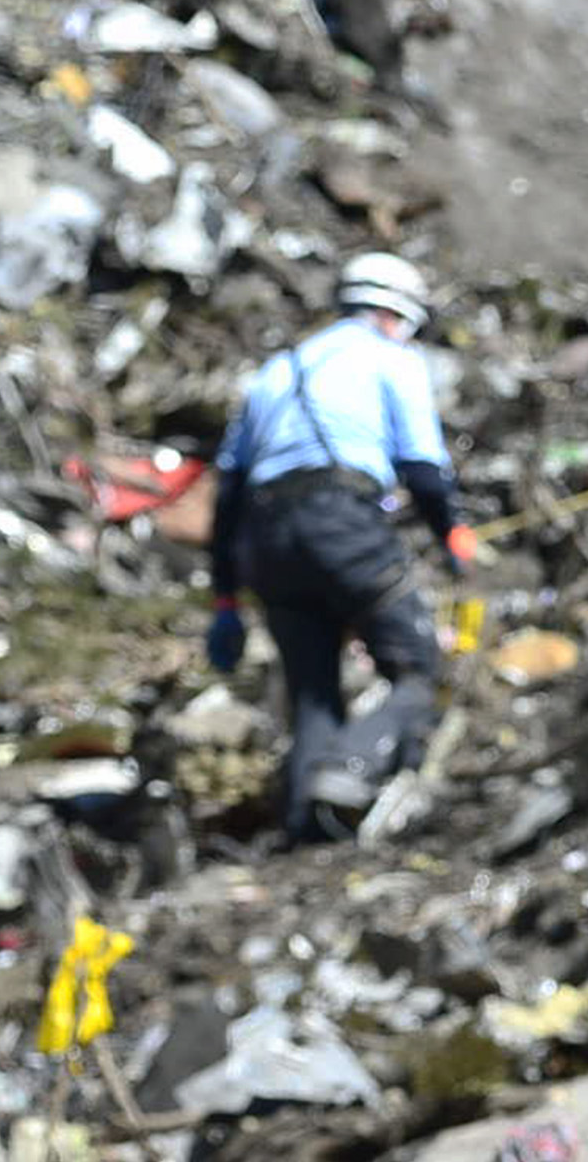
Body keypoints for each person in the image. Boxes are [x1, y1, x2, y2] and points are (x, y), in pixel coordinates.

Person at [204, 252, 476, 842]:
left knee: (313, 694)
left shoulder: (274, 371)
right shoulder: (389, 358)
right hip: (339, 521)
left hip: (265, 541)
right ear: (393, 314)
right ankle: (350, 768)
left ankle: (307, 829)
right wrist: (451, 534)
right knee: (417, 668)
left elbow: (225, 502)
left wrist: (225, 602)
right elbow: (423, 467)